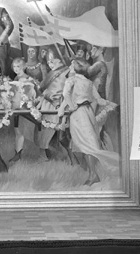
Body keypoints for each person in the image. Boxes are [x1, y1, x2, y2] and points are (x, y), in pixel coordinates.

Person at [57, 58, 119, 186]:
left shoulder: (72, 80)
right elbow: (99, 99)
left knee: (86, 145)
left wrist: (71, 105)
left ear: (75, 68)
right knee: (87, 144)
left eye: (71, 65)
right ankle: (92, 174)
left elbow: (65, 94)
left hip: (79, 114)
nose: (69, 66)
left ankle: (93, 175)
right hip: (88, 112)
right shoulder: (89, 82)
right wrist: (108, 104)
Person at [34, 49, 72, 161]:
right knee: (42, 129)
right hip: (46, 103)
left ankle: (69, 157)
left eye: (52, 61)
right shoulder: (51, 73)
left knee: (57, 133)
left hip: (59, 105)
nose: (50, 64)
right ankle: (45, 154)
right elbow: (42, 87)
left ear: (60, 60)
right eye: (48, 62)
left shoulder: (68, 71)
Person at [8, 57, 41, 164]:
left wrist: (30, 102)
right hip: (17, 109)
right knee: (18, 131)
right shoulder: (15, 79)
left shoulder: (29, 80)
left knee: (24, 131)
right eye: (14, 67)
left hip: (26, 110)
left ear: (23, 67)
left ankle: (41, 153)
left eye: (18, 67)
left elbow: (36, 94)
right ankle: (18, 154)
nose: (16, 69)